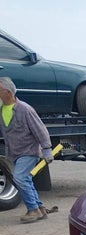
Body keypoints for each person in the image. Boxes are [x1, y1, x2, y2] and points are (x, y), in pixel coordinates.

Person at [0, 77, 59, 223]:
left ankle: (33, 210)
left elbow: (41, 130)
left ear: (8, 92)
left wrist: (47, 151)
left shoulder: (25, 109)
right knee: (25, 179)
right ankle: (40, 208)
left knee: (20, 178)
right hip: (13, 152)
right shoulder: (1, 109)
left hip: (29, 151)